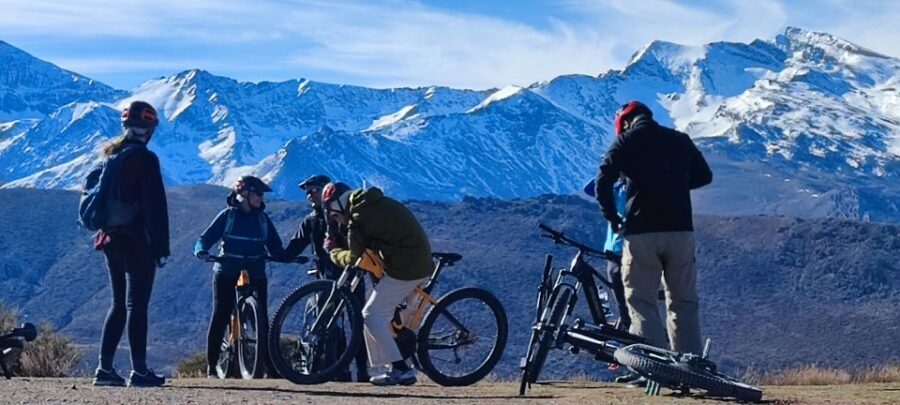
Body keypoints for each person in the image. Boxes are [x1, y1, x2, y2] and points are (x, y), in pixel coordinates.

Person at [594, 101, 713, 357]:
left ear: (625, 122)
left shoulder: (625, 142)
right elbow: (705, 176)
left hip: (641, 232)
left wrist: (613, 217)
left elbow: (602, 181)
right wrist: (675, 187)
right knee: (683, 302)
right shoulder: (680, 140)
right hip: (680, 229)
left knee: (642, 301)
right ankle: (690, 364)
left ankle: (655, 365)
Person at [92, 100, 169, 387]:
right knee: (138, 305)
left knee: (118, 304)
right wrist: (161, 247)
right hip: (138, 240)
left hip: (110, 238)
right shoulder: (146, 159)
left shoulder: (112, 155)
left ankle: (105, 369)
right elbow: (155, 207)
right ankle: (139, 370)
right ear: (149, 129)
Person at [324, 185, 432, 386]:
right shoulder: (368, 205)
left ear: (339, 205)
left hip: (407, 268)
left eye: (335, 216)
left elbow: (354, 257)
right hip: (413, 261)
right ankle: (388, 367)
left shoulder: (357, 217)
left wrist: (333, 252)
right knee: (380, 314)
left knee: (371, 315)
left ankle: (401, 369)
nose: (337, 220)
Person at [194, 175, 285, 377]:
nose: (261, 198)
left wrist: (284, 256)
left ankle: (269, 367)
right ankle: (212, 366)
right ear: (244, 194)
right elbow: (206, 238)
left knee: (262, 319)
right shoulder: (228, 216)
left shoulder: (262, 219)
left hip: (256, 268)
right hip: (227, 268)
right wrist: (201, 250)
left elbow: (275, 245)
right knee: (221, 313)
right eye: (258, 194)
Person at [283, 176, 369, 382]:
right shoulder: (311, 220)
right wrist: (275, 255)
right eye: (307, 192)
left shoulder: (344, 216)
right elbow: (294, 246)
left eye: (313, 190)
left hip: (351, 275)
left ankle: (363, 371)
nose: (309, 195)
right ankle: (338, 371)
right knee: (329, 326)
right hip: (326, 279)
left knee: (357, 323)